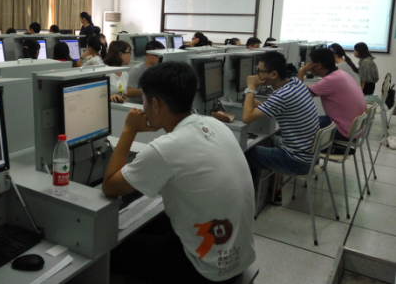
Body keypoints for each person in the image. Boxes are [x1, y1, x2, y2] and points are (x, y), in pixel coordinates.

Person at [103, 61, 256, 283]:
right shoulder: (215, 124)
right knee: (146, 225)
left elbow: (110, 186)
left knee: (110, 251)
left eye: (143, 99)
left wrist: (129, 130)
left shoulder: (165, 149)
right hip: (239, 257)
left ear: (155, 104)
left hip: (205, 271)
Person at [243, 51, 318, 202]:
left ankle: (248, 200)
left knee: (245, 153)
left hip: (296, 161)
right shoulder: (296, 84)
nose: (257, 75)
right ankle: (274, 191)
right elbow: (272, 107)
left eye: (260, 71)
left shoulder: (282, 95)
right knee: (268, 140)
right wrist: (253, 102)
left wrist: (251, 88)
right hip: (309, 155)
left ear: (273, 74)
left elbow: (246, 117)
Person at [298, 48, 366, 148]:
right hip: (355, 129)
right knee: (311, 120)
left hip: (343, 131)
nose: (308, 66)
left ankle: (297, 152)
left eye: (309, 63)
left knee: (298, 125)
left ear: (318, 65)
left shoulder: (330, 80)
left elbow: (299, 96)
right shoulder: (341, 74)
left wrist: (302, 71)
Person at [126, 40, 165, 104]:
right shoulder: (137, 70)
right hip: (138, 105)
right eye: (158, 57)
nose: (161, 59)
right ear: (149, 56)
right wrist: (148, 90)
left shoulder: (160, 69)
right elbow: (128, 92)